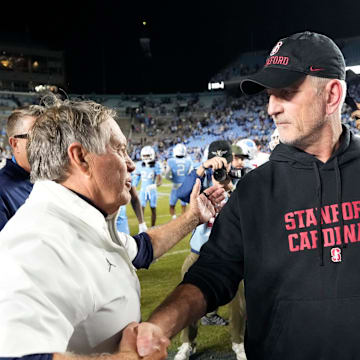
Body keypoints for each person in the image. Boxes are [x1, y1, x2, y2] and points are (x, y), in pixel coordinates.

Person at [133, 31, 360, 360]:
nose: (271, 108)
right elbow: (212, 273)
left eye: (285, 92)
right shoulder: (254, 189)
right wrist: (157, 326)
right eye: (269, 94)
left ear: (332, 95)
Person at [0, 97, 226, 358]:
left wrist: (192, 217)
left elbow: (141, 249)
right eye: (119, 150)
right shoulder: (34, 243)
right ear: (81, 157)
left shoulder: (78, 218)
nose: (130, 163)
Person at [175, 140, 246, 360]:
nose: (219, 168)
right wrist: (201, 169)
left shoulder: (240, 179)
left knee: (240, 304)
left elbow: (249, 205)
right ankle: (187, 343)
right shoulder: (201, 180)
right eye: (214, 161)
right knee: (187, 300)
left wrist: (230, 185)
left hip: (233, 255)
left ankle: (239, 342)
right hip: (200, 252)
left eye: (222, 160)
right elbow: (182, 193)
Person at [0, 105, 44, 230]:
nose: (45, 144)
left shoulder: (56, 180)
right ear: (15, 143)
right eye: (36, 137)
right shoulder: (2, 191)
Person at [133, 145, 162, 226]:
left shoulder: (156, 165)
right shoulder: (139, 165)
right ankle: (141, 227)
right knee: (141, 209)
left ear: (152, 155)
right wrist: (133, 187)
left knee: (153, 209)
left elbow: (160, 181)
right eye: (144, 156)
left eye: (147, 155)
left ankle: (153, 227)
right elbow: (136, 179)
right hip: (143, 191)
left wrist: (154, 185)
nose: (145, 157)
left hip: (152, 191)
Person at [165, 143, 193, 219]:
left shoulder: (171, 161)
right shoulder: (188, 161)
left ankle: (174, 219)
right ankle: (183, 220)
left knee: (172, 205)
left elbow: (167, 175)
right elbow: (191, 174)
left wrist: (172, 179)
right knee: (184, 205)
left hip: (175, 186)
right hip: (184, 186)